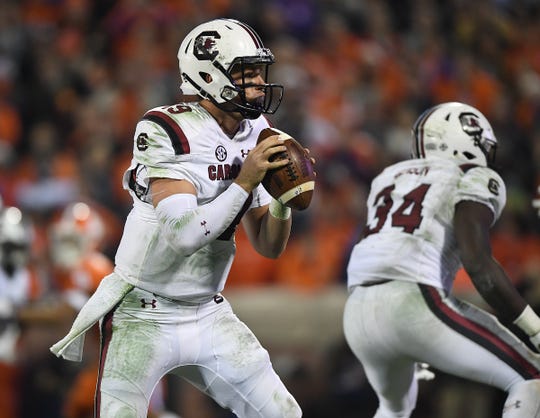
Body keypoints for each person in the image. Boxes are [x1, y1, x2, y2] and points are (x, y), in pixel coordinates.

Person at [50, 18, 305, 418]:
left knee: (284, 414)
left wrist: (283, 197)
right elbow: (183, 236)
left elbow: (268, 246)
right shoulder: (167, 128)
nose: (258, 82)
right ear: (208, 74)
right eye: (245, 72)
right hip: (142, 311)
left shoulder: (254, 128)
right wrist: (246, 179)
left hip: (208, 310)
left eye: (259, 71)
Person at [343, 102, 540, 418]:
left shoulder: (387, 177)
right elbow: (478, 265)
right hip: (411, 302)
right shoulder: (472, 175)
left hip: (356, 313)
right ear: (463, 140)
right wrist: (534, 328)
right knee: (533, 377)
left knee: (395, 408)